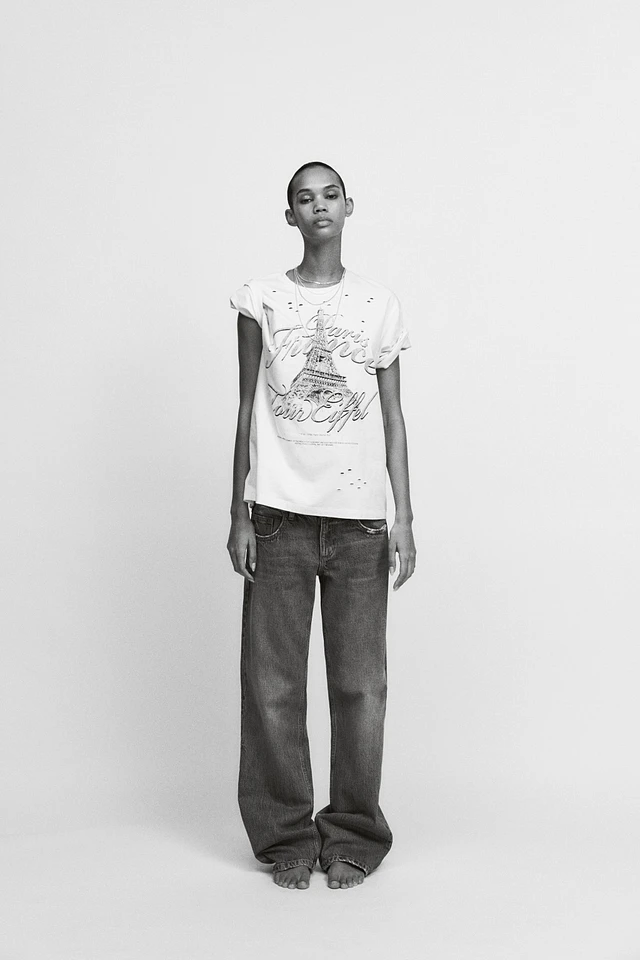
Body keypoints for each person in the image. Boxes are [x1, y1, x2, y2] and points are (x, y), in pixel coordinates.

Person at [227, 161, 416, 890]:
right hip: (277, 517)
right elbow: (246, 409)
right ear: (290, 217)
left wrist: (404, 517)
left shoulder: (378, 304)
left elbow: (394, 418)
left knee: (360, 687)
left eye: (329, 195)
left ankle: (355, 834)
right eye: (304, 200)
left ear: (349, 206)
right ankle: (285, 837)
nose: (319, 208)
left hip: (360, 522)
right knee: (272, 685)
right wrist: (238, 511)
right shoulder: (261, 300)